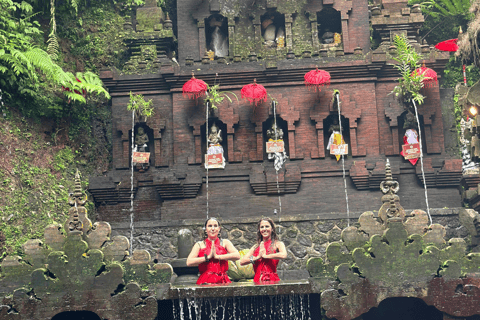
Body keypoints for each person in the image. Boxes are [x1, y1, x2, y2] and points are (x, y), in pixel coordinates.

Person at [186, 217, 240, 285]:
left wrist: (218, 257)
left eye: (215, 226)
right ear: (205, 229)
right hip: (205, 281)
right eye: (210, 226)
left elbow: (237, 256)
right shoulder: (199, 244)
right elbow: (189, 262)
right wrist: (207, 257)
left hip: (223, 280)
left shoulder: (225, 242)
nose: (213, 229)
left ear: (219, 229)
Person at [240, 217, 287, 284]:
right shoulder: (256, 246)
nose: (264, 229)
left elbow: (283, 255)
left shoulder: (278, 244)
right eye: (262, 227)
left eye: (267, 226)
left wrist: (266, 256)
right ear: (259, 230)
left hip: (272, 280)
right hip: (257, 280)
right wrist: (257, 257)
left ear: (272, 229)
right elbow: (242, 261)